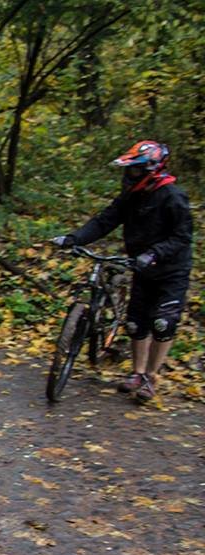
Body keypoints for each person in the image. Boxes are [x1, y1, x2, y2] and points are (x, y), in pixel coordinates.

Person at [52, 140, 194, 404]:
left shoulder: (173, 196)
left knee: (163, 323)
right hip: (141, 266)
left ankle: (151, 377)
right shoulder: (131, 196)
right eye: (129, 171)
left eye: (135, 171)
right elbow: (105, 220)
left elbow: (182, 237)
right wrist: (74, 238)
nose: (130, 176)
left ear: (151, 169)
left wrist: (154, 254)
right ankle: (137, 373)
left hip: (171, 269)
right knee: (135, 323)